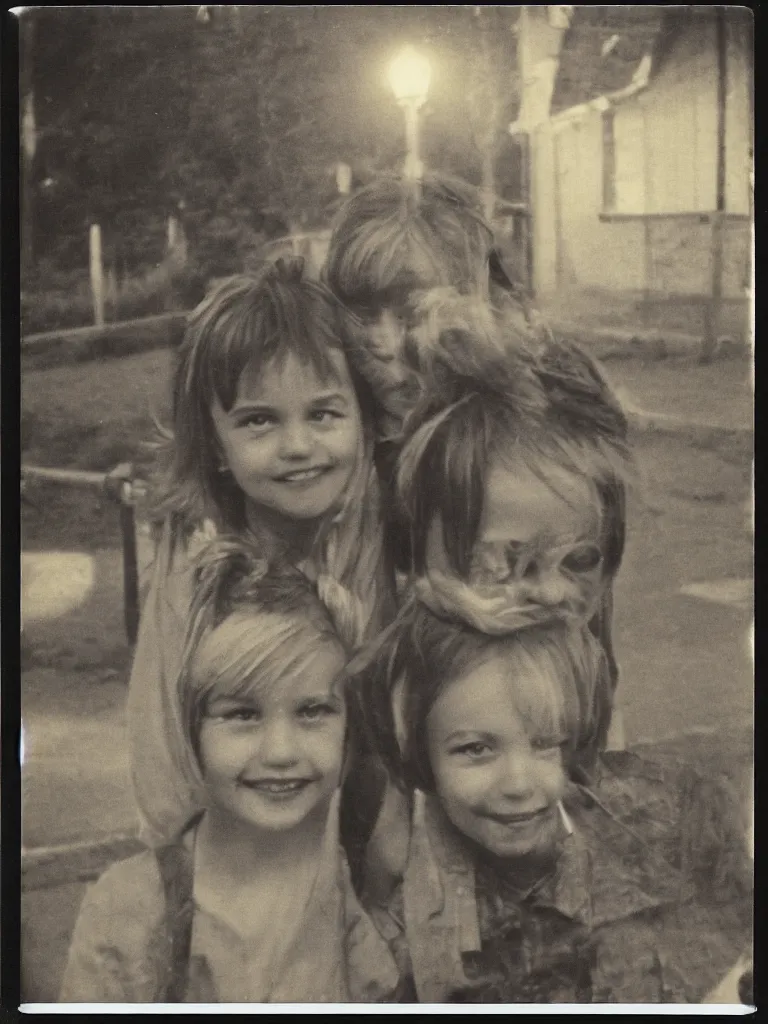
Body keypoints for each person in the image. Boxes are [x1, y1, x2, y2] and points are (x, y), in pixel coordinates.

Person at [357, 602, 752, 1004]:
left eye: (546, 742)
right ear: (421, 756)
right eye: (476, 749)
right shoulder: (406, 939)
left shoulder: (674, 826)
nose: (518, 783)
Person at [128, 257, 394, 849]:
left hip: (383, 852)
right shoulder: (195, 566)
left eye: (323, 413)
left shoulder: (387, 538)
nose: (298, 446)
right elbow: (162, 750)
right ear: (217, 445)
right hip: (237, 866)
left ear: (364, 420)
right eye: (258, 422)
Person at [60, 546, 402, 1003]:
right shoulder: (130, 909)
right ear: (192, 728)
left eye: (313, 711)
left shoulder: (346, 884)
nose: (280, 752)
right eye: (242, 714)